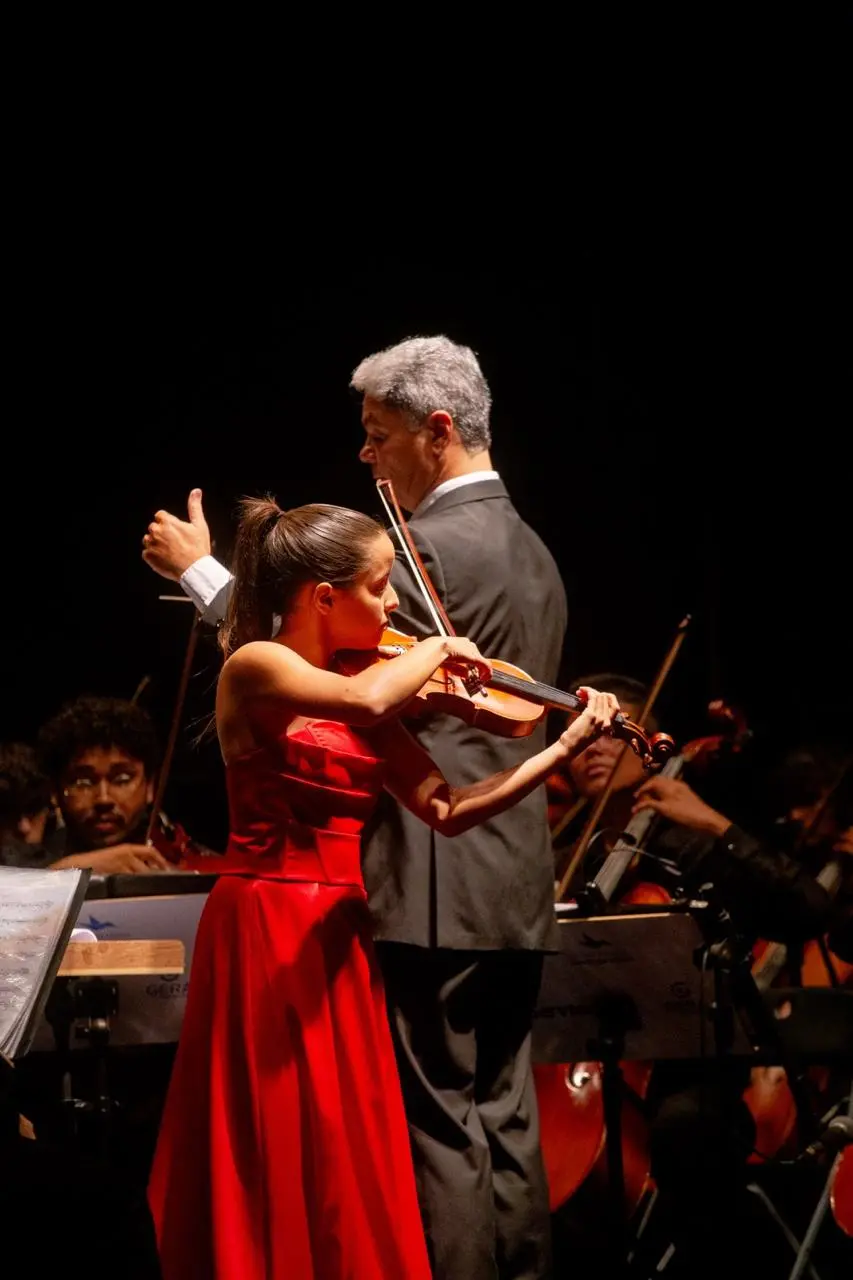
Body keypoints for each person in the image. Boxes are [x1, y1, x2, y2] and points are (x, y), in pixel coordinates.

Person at [141, 335, 568, 1278]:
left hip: (422, 879)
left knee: (441, 1133)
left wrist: (202, 573)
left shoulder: (426, 553)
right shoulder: (534, 550)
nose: (367, 457)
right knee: (504, 1116)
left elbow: (308, 642)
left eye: (379, 438)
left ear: (437, 432)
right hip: (513, 878)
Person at [548, 673, 834, 1280]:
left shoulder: (692, 836)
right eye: (580, 736)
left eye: (611, 732)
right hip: (581, 1064)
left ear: (652, 741)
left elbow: (811, 910)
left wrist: (716, 825)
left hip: (689, 1071)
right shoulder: (566, 848)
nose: (592, 747)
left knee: (686, 1131)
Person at [32, 694, 211, 873]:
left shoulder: (190, 859)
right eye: (83, 782)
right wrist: (69, 872)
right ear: (54, 792)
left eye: (122, 780)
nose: (104, 799)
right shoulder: (23, 863)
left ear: (150, 786)